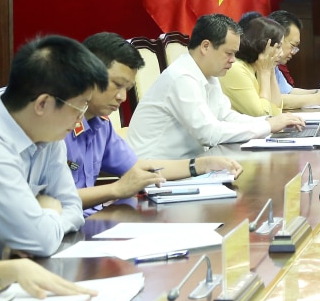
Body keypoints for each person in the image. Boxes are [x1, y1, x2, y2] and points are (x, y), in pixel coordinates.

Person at [67, 33, 242, 215]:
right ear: (88, 74)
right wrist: (115, 189)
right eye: (116, 85)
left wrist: (202, 165)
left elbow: (140, 167)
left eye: (126, 89)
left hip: (89, 219)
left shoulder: (101, 125)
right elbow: (51, 202)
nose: (122, 97)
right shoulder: (56, 128)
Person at [0, 36, 105, 260]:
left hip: (14, 275)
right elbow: (39, 240)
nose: (80, 119)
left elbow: (73, 208)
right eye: (78, 108)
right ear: (42, 104)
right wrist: (49, 210)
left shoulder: (48, 134)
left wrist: (40, 221)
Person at [127, 14, 306, 159]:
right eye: (228, 53)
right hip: (156, 175)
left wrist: (269, 122)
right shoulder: (182, 78)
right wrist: (268, 126)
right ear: (206, 47)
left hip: (190, 165)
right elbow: (209, 133)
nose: (233, 60)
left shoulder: (208, 75)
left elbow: (225, 115)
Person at [267, 10, 320, 109]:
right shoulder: (260, 63)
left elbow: (288, 91)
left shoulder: (274, 65)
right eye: (292, 46)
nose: (293, 52)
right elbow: (274, 100)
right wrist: (316, 99)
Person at [221, 16, 286, 117]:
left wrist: (271, 71)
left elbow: (277, 111)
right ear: (263, 45)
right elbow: (263, 114)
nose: (281, 54)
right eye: (278, 47)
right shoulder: (235, 69)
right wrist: (264, 73)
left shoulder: (257, 68)